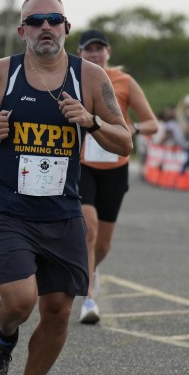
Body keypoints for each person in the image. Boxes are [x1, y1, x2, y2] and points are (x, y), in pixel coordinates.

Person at [0, 0, 131, 375]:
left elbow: (124, 141)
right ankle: (3, 339)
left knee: (57, 310)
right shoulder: (0, 72)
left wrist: (91, 121)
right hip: (9, 209)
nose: (45, 28)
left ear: (66, 28)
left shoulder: (89, 77)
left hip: (62, 212)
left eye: (53, 19)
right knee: (20, 303)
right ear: (22, 30)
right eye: (35, 21)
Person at [73, 28, 158, 324]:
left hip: (115, 168)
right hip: (83, 164)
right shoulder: (72, 78)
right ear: (80, 53)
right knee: (89, 229)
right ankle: (89, 299)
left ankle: (91, 268)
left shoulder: (124, 82)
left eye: (99, 48)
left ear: (108, 52)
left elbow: (152, 122)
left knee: (103, 244)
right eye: (89, 49)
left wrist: (132, 129)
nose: (94, 54)